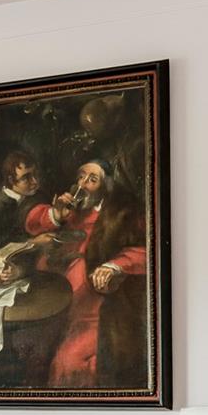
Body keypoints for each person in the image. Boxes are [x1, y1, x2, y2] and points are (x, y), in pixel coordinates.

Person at [24, 160, 149, 387]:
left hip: (90, 299)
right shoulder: (70, 209)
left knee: (69, 361)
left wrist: (115, 265)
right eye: (81, 176)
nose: (83, 184)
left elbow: (148, 250)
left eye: (92, 179)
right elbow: (32, 223)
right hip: (51, 293)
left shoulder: (121, 214)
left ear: (106, 186)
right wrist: (56, 215)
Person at [0, 150, 42, 251]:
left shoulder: (33, 196)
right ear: (11, 180)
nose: (34, 181)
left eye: (35, 174)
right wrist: (33, 242)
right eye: (26, 178)